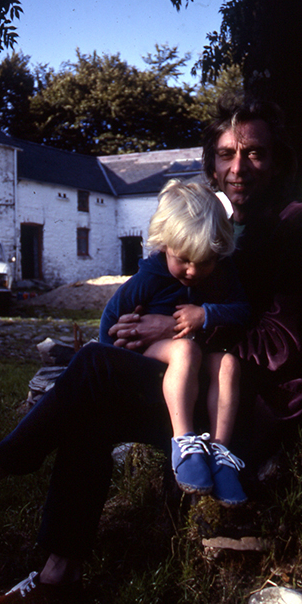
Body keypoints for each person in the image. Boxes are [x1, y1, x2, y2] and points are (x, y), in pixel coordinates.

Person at [0, 96, 302, 604]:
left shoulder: (300, 225)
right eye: (227, 153)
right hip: (197, 393)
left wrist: (187, 327)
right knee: (91, 398)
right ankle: (58, 578)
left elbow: (284, 350)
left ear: (278, 161)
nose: (238, 167)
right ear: (211, 162)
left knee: (94, 367)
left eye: (254, 153)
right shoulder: (220, 231)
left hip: (252, 407)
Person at [99, 178, 251, 505]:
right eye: (183, 259)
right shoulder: (151, 275)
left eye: (204, 261)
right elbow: (110, 318)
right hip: (154, 353)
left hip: (198, 350)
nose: (193, 271)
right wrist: (114, 357)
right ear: (165, 245)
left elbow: (243, 310)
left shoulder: (224, 273)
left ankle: (221, 454)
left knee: (227, 363)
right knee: (185, 348)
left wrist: (206, 314)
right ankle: (184, 443)